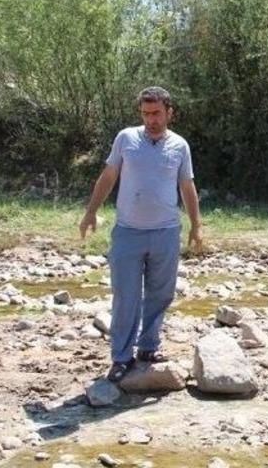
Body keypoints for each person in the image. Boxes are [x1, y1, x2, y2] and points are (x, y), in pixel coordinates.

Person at [79, 86, 202, 382]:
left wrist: (196, 225)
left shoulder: (180, 146)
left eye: (156, 113)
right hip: (128, 233)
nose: (151, 120)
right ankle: (121, 357)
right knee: (126, 296)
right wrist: (91, 211)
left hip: (166, 232)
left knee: (160, 295)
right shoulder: (126, 138)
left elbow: (187, 186)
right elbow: (109, 176)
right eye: (146, 114)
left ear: (169, 112)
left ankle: (148, 347)